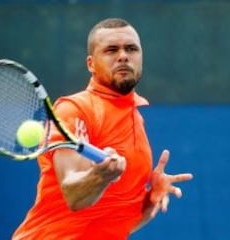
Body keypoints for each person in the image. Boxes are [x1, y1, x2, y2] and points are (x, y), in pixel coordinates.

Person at [12, 17, 193, 240]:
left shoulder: (135, 117)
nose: (124, 55)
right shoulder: (75, 110)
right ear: (91, 64)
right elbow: (74, 196)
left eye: (131, 49)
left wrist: (151, 199)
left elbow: (116, 224)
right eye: (111, 50)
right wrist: (101, 175)